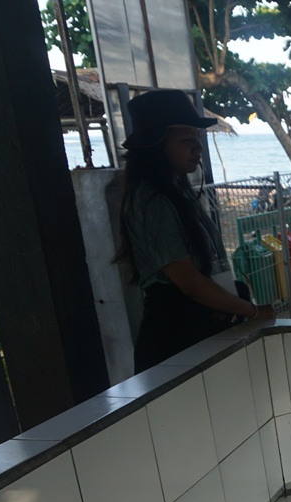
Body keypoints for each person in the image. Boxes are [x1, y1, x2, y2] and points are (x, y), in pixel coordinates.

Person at [116, 89, 275, 372]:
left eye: (197, 138)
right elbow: (190, 283)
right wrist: (252, 312)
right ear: (156, 146)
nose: (197, 148)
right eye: (186, 140)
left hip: (197, 326)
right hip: (176, 334)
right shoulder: (152, 201)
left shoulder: (176, 191)